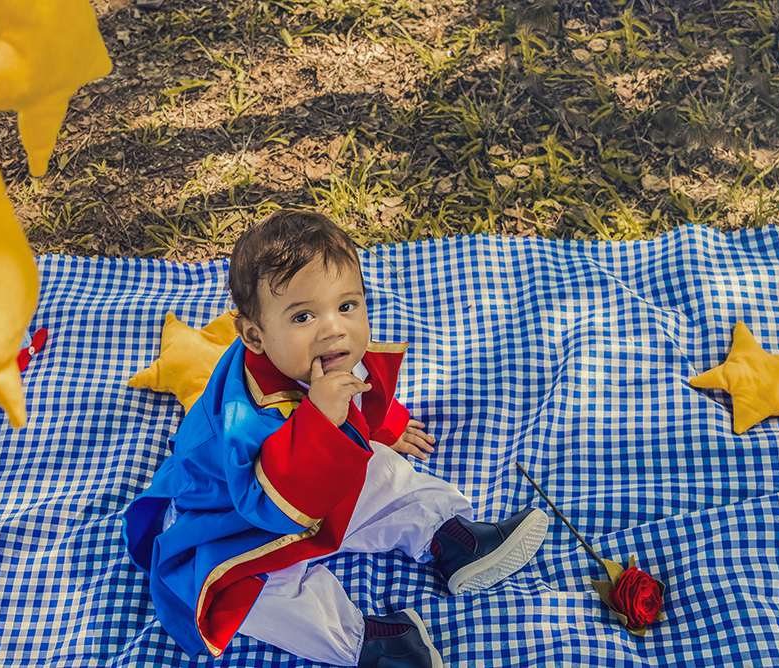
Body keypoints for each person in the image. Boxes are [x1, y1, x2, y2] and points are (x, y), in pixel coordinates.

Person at [123, 209, 549, 667]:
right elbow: (266, 502)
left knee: (383, 465)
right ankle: (367, 642)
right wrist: (321, 423)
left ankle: (451, 537)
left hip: (311, 484)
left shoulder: (317, 354)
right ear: (255, 335)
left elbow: (360, 392)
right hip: (233, 518)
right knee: (258, 594)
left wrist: (385, 425)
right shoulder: (244, 418)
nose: (334, 328)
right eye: (304, 315)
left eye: (347, 306)